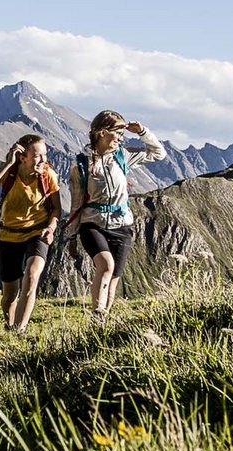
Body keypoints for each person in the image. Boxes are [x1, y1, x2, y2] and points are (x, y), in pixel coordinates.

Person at [66, 110, 166, 322]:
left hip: (121, 225)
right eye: (118, 133)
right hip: (92, 223)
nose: (122, 138)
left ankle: (101, 323)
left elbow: (158, 153)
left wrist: (143, 133)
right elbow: (76, 202)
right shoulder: (81, 165)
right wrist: (72, 237)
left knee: (112, 280)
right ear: (103, 133)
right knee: (106, 266)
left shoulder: (123, 156)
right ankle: (97, 314)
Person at [0, 133, 61, 333]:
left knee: (32, 276)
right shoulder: (10, 172)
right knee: (9, 295)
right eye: (38, 156)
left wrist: (51, 228)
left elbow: (56, 209)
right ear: (22, 156)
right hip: (9, 236)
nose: (43, 160)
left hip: (37, 233)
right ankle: (9, 325)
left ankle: (19, 330)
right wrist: (7, 164)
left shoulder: (48, 175)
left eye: (45, 155)